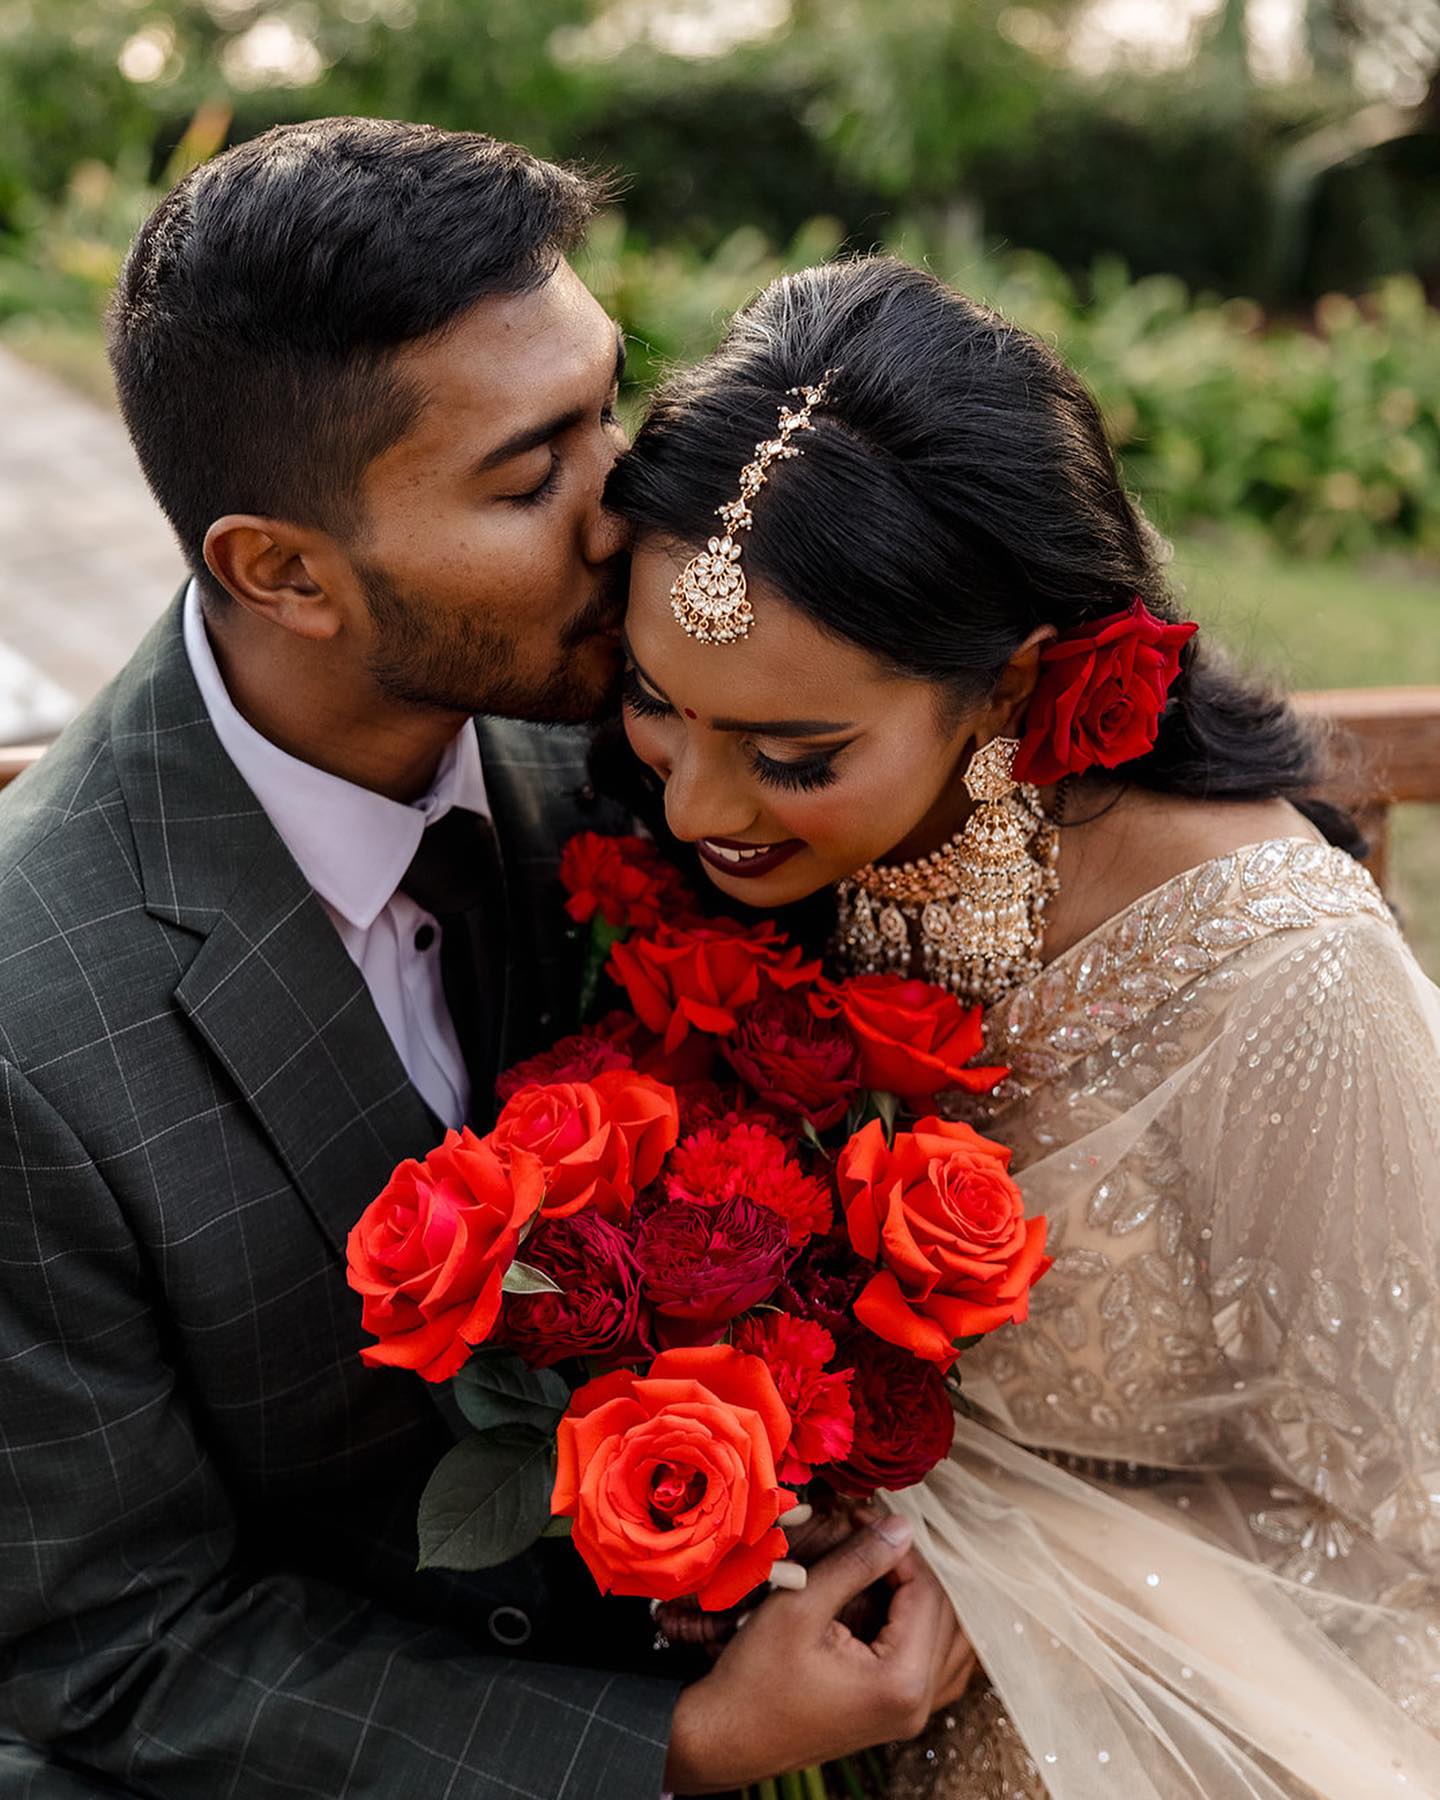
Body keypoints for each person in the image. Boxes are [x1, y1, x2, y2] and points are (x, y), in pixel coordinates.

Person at [0, 122, 971, 1798]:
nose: (641, 508)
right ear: (280, 571)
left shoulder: (670, 732)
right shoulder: (35, 1029)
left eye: (611, 401)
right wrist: (676, 1742)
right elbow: (119, 1643)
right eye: (533, 478)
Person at [605, 254, 1440, 1799]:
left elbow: (1405, 1515)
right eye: (654, 703)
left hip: (1167, 1720)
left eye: (792, 751)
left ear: (1009, 689)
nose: (694, 802)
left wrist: (999, 1591)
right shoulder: (725, 869)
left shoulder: (1286, 979)